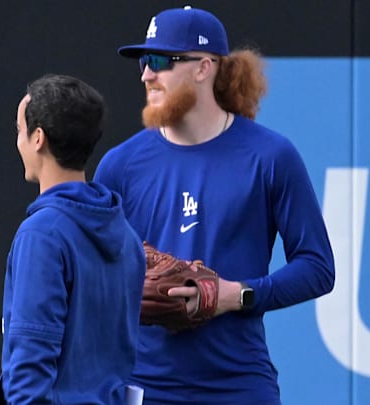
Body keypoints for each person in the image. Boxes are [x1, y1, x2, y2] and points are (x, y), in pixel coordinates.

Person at [94, 6, 335, 405]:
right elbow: (92, 276)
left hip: (238, 385)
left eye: (160, 61)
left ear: (204, 68)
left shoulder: (270, 156)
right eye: (143, 61)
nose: (146, 74)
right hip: (144, 387)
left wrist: (237, 294)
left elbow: (318, 267)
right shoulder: (120, 165)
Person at [0, 74, 146, 404]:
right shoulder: (127, 234)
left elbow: (29, 369)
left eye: (20, 130)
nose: (17, 141)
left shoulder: (42, 235)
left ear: (38, 138)